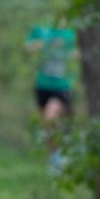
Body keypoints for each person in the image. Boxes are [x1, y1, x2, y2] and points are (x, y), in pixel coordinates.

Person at [26, 25, 77, 171]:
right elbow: (28, 48)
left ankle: (64, 150)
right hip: (42, 85)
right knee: (47, 126)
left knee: (50, 117)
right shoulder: (42, 31)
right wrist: (43, 44)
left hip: (61, 87)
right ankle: (54, 158)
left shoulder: (70, 34)